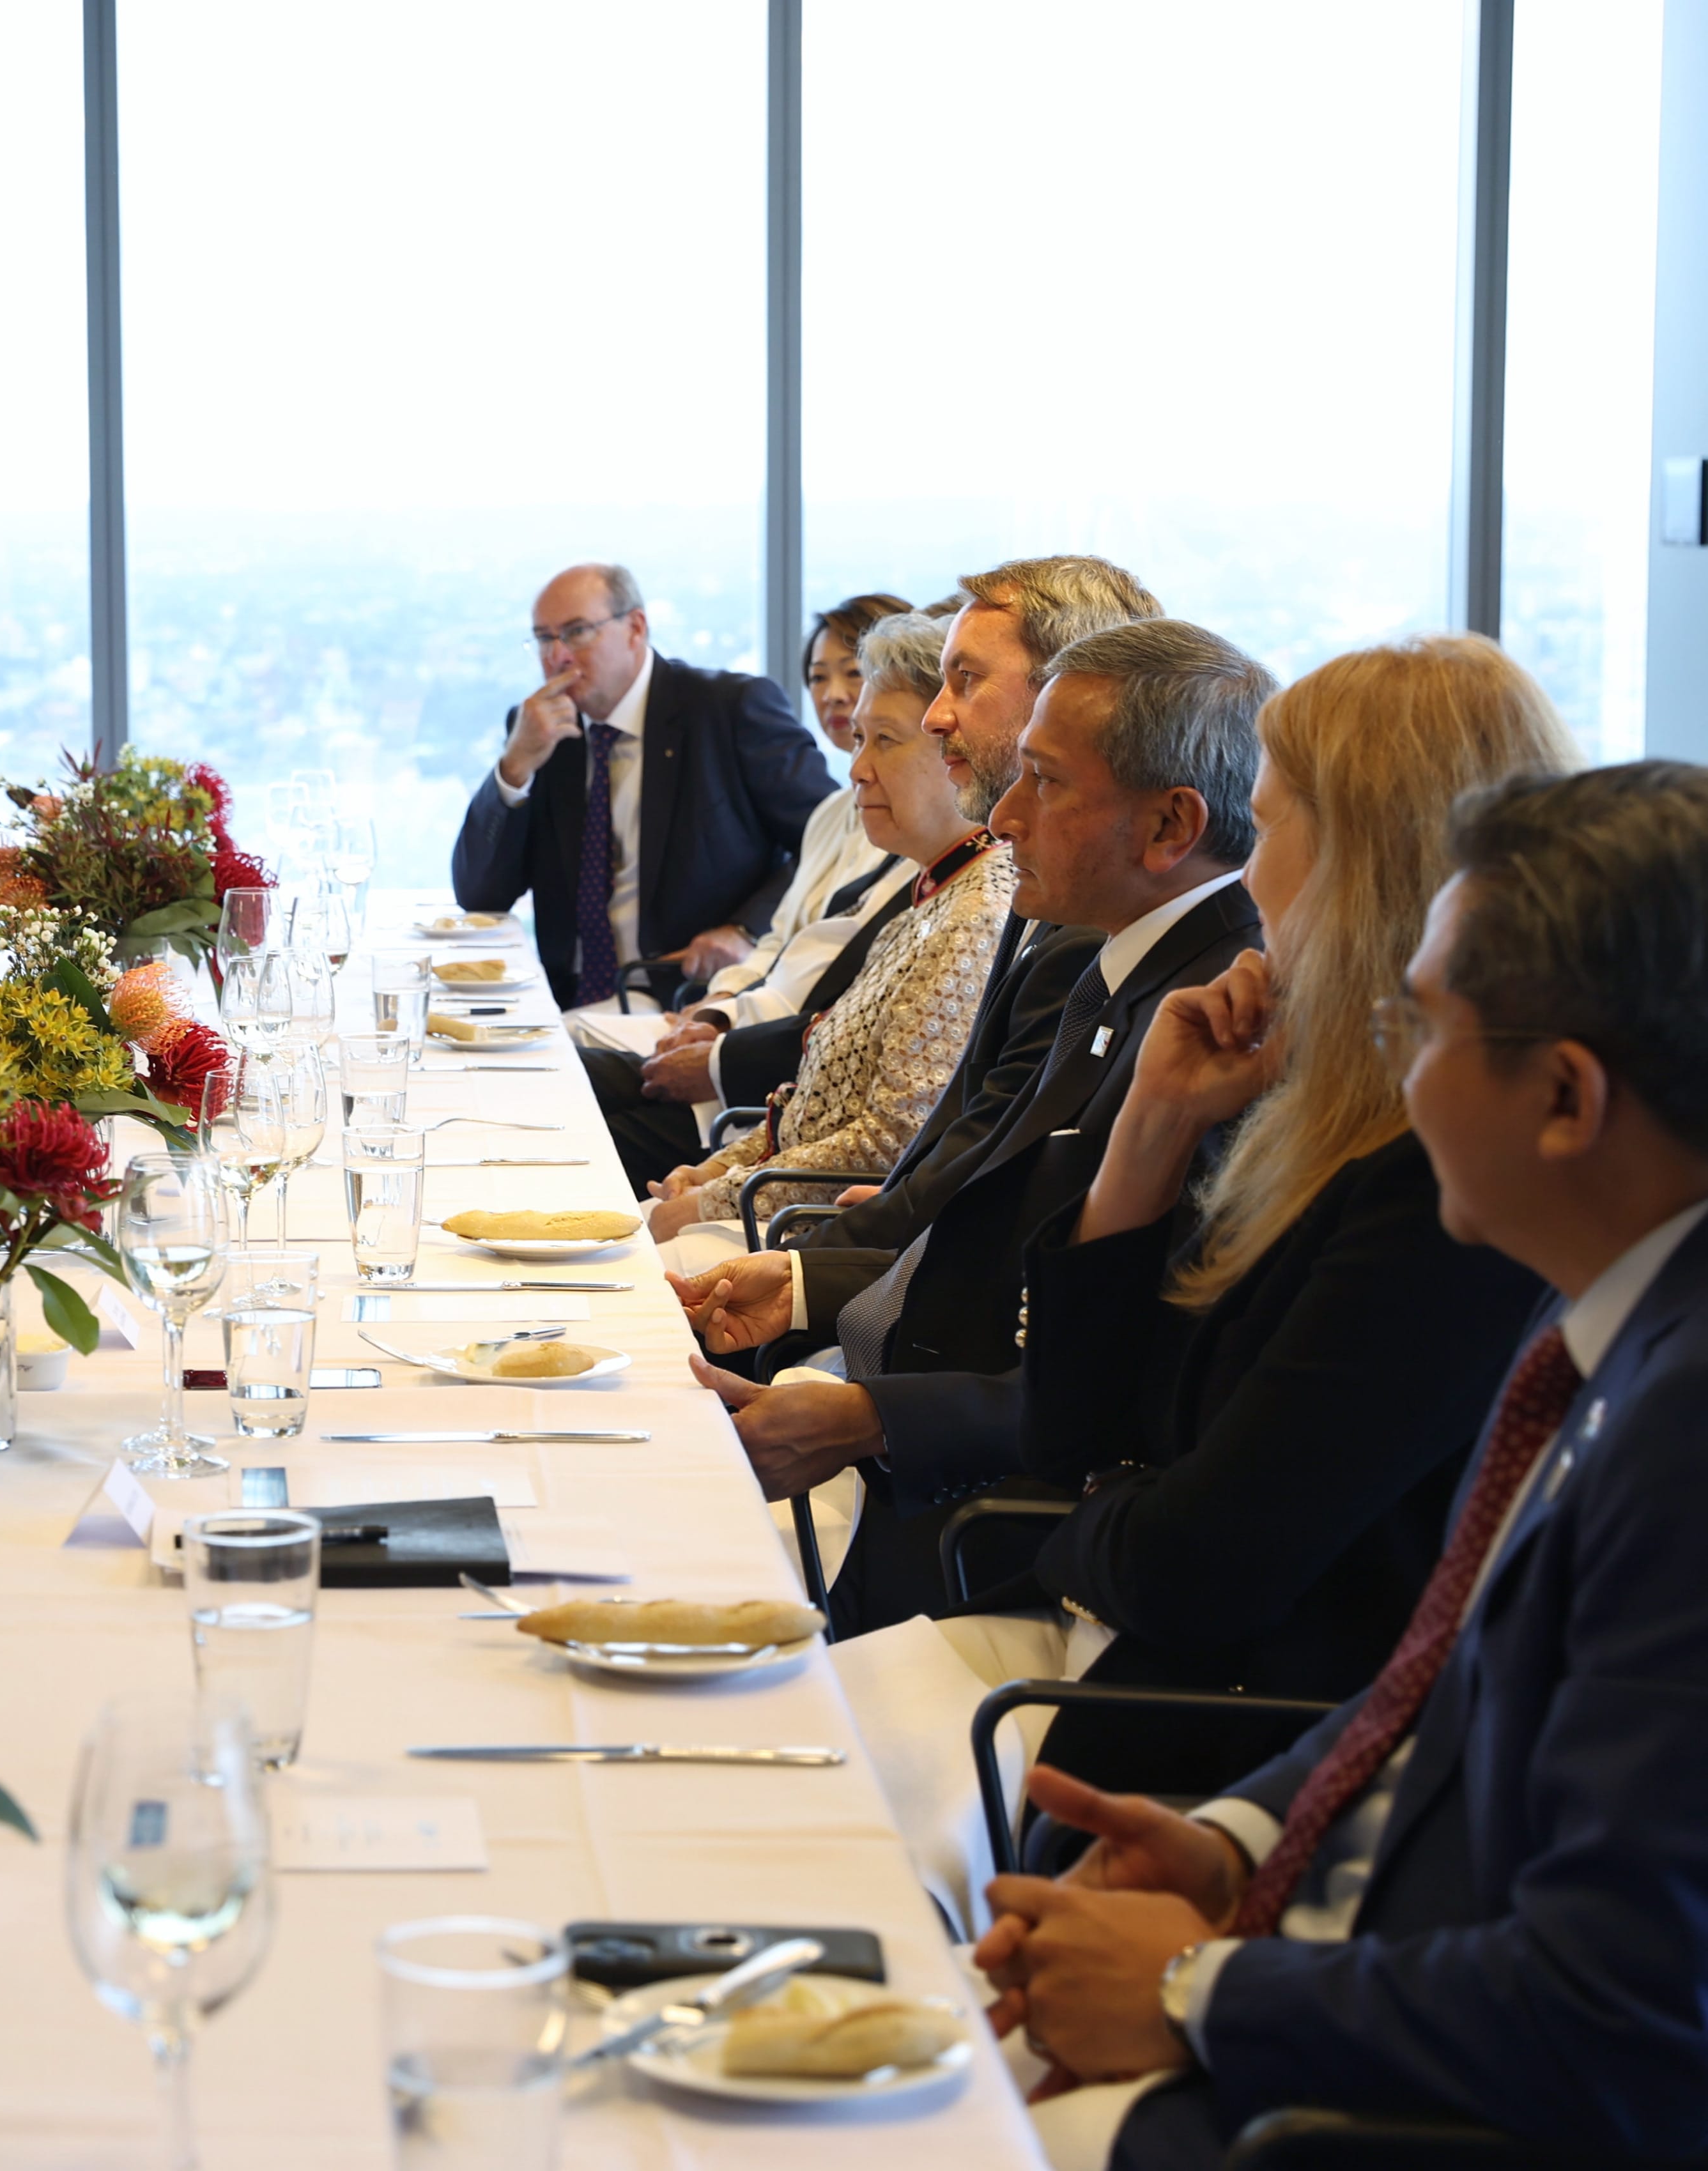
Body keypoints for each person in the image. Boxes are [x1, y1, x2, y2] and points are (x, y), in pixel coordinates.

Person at [976, 762, 1708, 2171]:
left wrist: (1196, 1991)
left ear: (1562, 1097)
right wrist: (1248, 1839)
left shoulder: (1681, 1424)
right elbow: (1444, 1674)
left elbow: (1622, 2007)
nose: (1388, 1060)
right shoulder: (1605, 1305)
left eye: (1418, 1024)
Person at [831, 637, 1569, 1933]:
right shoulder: (1300, 1103)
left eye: (1271, 828)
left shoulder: (1428, 1191)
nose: (1248, 869)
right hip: (1139, 1661)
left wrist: (1080, 1526)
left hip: (1204, 1723)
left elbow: (1193, 1564)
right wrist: (1147, 1137)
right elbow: (1079, 1436)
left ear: (1362, 866)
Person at [680, 618, 1272, 1638]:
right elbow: (973, 1203)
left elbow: (1145, 1385)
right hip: (925, 1456)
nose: (1001, 816)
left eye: (1043, 780)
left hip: (1001, 1541)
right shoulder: (1118, 966)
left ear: (1171, 827)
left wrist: (874, 1419)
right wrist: (811, 1288)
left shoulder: (1220, 1026)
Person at [753, 556, 1168, 1266]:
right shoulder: (1024, 881)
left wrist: (825, 1265)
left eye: (964, 681)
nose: (936, 715)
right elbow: (971, 1127)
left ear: (1064, 690)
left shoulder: (1078, 912)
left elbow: (1015, 1182)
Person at [640, 629, 1017, 1244]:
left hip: (817, 1236)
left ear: (959, 754)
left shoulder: (979, 908)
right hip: (778, 1209)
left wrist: (711, 1200)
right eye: (861, 739)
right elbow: (814, 1102)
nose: (858, 769)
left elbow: (889, 1143)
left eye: (886, 742)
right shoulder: (931, 895)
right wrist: (714, 1170)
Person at [592, 597, 928, 1185]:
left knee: (575, 1123)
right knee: (561, 1078)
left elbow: (833, 1003)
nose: (833, 692)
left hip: (764, 1091)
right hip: (745, 1051)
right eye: (818, 677)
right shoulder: (833, 812)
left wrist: (722, 1045)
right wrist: (714, 1011)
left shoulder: (930, 845)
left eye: (852, 671)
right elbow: (781, 946)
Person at [445, 562, 832, 1011]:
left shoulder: (727, 710)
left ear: (635, 627)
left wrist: (747, 929)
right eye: (545, 638)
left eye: (576, 632)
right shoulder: (540, 731)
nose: (558, 657)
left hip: (690, 997)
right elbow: (479, 894)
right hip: (562, 1001)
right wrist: (514, 768)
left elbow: (830, 844)